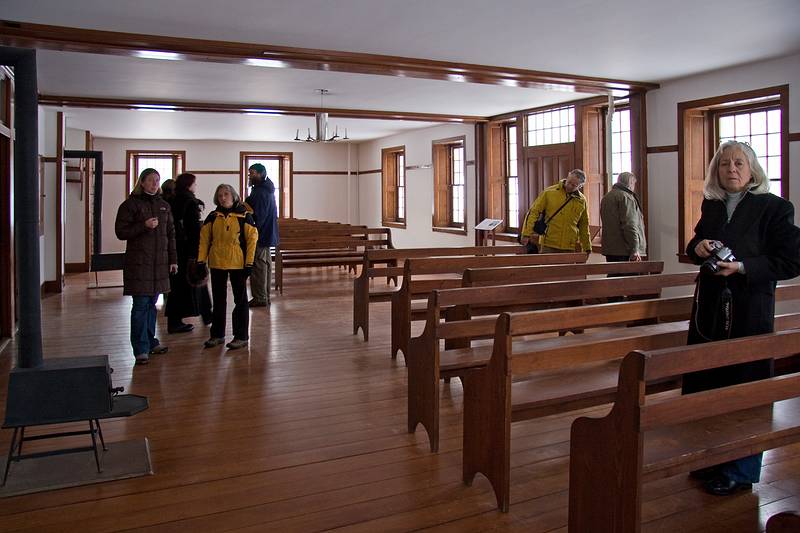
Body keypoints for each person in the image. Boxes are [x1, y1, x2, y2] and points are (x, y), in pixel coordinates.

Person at [684, 140, 800, 496]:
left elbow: (791, 261)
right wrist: (697, 247)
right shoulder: (713, 204)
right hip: (709, 311)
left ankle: (740, 470)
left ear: (752, 171)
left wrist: (744, 267)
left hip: (749, 310)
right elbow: (697, 244)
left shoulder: (775, 208)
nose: (731, 169)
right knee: (708, 384)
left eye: (738, 163)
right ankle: (710, 458)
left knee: (744, 390)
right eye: (724, 164)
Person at [114, 168, 177, 365]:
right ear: (142, 182)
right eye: (151, 180)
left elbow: (171, 235)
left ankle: (151, 342)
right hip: (140, 264)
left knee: (152, 306)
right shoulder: (130, 205)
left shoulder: (164, 206)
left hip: (159, 265)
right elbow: (121, 231)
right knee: (140, 306)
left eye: (157, 181)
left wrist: (173, 260)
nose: (155, 184)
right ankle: (140, 348)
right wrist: (144, 225)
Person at [198, 184, 258, 350]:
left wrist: (249, 263)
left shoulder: (244, 215)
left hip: (238, 263)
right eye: (220, 195)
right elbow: (204, 240)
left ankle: (241, 336)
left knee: (240, 301)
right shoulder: (212, 216)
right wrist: (200, 261)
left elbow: (252, 240)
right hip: (217, 262)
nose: (223, 197)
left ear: (233, 196)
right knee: (218, 301)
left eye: (226, 194)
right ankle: (217, 334)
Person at [165, 173, 213, 332]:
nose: (196, 186)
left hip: (176, 249)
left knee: (179, 286)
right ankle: (205, 315)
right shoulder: (190, 202)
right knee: (197, 281)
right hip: (189, 250)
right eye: (194, 183)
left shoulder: (173, 200)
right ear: (188, 185)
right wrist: (199, 252)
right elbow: (194, 230)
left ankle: (204, 315)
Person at [521, 169, 591, 254]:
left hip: (569, 245)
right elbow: (533, 212)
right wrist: (526, 234)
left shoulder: (582, 200)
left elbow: (584, 224)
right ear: (567, 176)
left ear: (580, 186)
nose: (569, 186)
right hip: (549, 243)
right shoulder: (549, 193)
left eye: (573, 185)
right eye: (568, 182)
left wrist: (587, 247)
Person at [244, 163, 280, 306]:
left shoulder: (260, 192)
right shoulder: (265, 189)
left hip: (260, 235)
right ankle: (264, 296)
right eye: (249, 173)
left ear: (261, 174)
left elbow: (258, 216)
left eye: (252, 173)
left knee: (258, 267)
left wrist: (251, 232)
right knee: (264, 266)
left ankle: (260, 298)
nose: (250, 176)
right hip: (266, 234)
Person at [600, 171, 646, 262]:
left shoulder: (607, 197)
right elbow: (630, 225)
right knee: (629, 275)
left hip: (611, 248)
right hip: (625, 249)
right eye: (634, 184)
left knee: (614, 275)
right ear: (631, 183)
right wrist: (635, 248)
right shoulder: (627, 198)